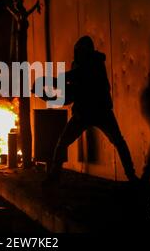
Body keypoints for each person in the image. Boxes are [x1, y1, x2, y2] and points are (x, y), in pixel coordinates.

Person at [41, 36, 138, 184]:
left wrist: (49, 82)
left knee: (117, 141)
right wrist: (45, 95)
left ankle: (132, 176)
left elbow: (74, 77)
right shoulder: (87, 63)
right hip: (92, 112)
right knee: (118, 142)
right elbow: (69, 96)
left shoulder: (94, 62)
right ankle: (132, 177)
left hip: (96, 111)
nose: (80, 54)